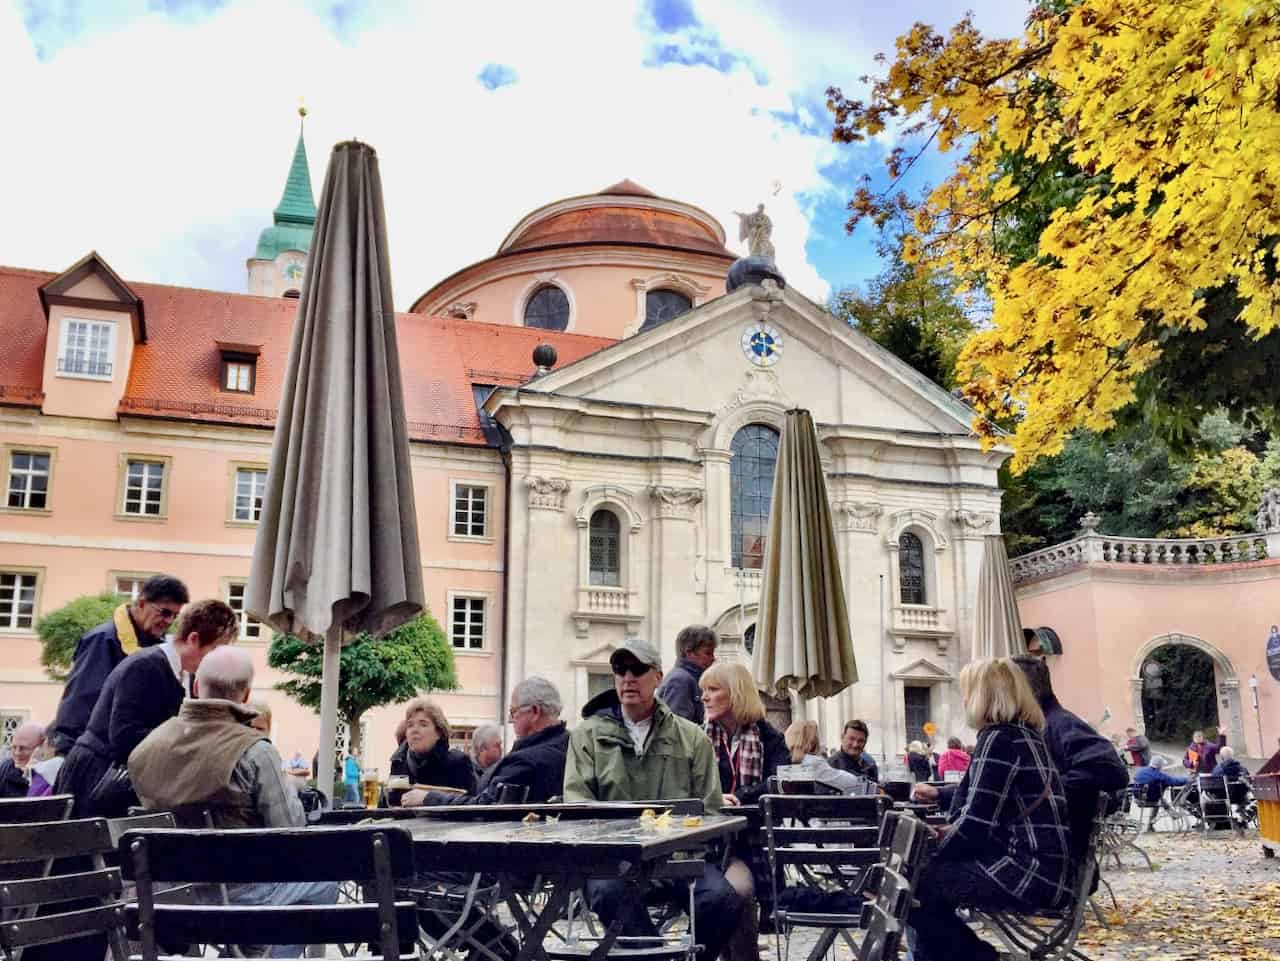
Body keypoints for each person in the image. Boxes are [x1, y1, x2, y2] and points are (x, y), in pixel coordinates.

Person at [129, 646, 337, 958]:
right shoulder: (256, 751)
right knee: (326, 884)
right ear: (245, 695)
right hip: (238, 897)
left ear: (196, 686)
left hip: (161, 895)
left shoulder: (146, 749)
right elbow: (291, 833)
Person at [564, 639, 740, 961]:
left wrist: (683, 843)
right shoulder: (586, 734)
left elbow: (711, 810)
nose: (628, 678)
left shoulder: (691, 737)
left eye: (638, 669)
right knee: (608, 893)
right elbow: (578, 805)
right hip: (613, 863)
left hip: (679, 859)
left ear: (658, 676)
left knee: (723, 899)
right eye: (620, 670)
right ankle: (654, 957)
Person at [907, 658, 1073, 961]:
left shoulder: (999, 738)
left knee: (913, 886)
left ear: (983, 696)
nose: (964, 700)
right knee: (925, 882)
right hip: (1048, 870)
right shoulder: (1024, 734)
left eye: (967, 692)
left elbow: (975, 826)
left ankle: (982, 957)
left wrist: (928, 848)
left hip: (1027, 872)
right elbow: (985, 804)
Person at [55, 598, 236, 817]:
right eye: (215, 650)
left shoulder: (183, 673)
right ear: (193, 639)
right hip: (97, 778)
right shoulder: (145, 666)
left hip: (118, 780)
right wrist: (189, 743)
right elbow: (124, 735)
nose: (216, 659)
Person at [700, 661, 788, 961]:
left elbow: (777, 784)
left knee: (737, 892)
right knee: (729, 896)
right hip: (706, 843)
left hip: (753, 844)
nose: (705, 697)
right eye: (703, 690)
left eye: (713, 689)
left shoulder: (770, 738)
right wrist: (714, 798)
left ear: (736, 693)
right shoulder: (698, 736)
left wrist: (737, 797)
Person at [49, 574, 189, 755]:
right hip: (93, 751)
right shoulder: (102, 639)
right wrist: (68, 751)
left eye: (175, 616)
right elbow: (82, 700)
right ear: (141, 604)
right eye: (165, 613)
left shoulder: (156, 644)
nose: (169, 621)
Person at [1008, 656, 1129, 865]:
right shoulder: (1036, 727)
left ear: (1023, 690)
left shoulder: (1060, 724)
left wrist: (1044, 793)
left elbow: (1113, 770)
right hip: (1038, 851)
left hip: (1050, 859)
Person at [422, 677, 570, 807]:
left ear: (535, 711)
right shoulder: (570, 745)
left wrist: (428, 798)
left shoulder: (526, 761)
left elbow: (483, 808)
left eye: (513, 711)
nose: (510, 720)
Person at [390, 699, 477, 805]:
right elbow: (386, 806)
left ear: (439, 732)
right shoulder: (399, 762)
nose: (414, 730)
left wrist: (429, 799)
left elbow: (470, 806)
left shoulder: (458, 762)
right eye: (410, 725)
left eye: (423, 725)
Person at [780, 720, 872, 795]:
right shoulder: (812, 763)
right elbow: (851, 782)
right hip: (813, 811)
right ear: (812, 741)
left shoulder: (783, 762)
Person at [656, 624, 717, 724]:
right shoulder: (680, 680)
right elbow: (678, 727)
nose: (713, 658)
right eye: (707, 653)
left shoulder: (689, 678)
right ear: (689, 652)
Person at [0, 720, 45, 797]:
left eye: (23, 748)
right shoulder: (5, 769)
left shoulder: (47, 776)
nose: (17, 753)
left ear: (41, 747)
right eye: (14, 747)